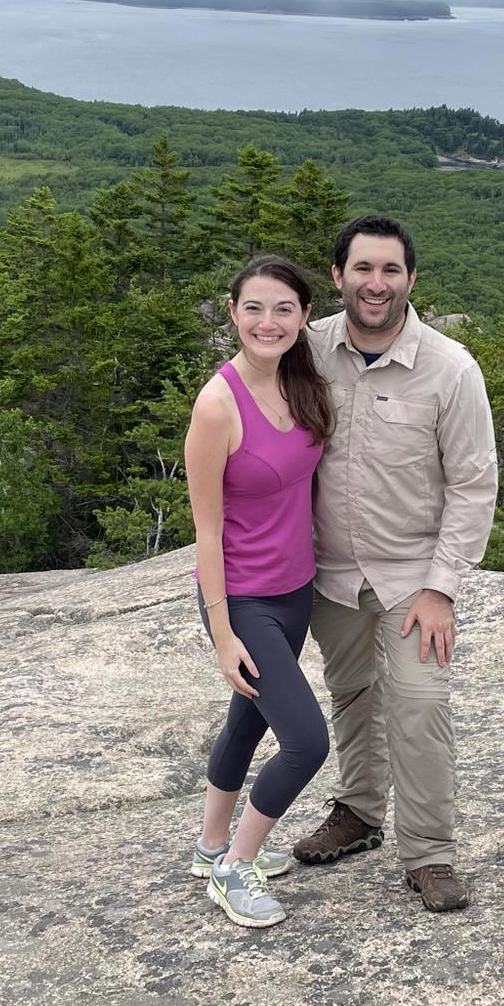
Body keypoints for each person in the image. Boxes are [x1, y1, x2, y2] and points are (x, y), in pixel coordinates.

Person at [292, 214, 498, 912]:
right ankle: (359, 810)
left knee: (418, 704)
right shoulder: (307, 349)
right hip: (329, 572)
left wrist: (442, 588)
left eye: (390, 270)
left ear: (411, 278)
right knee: (351, 694)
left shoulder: (451, 368)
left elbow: (473, 485)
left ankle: (431, 853)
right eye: (362, 269)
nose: (375, 284)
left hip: (415, 575)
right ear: (337, 276)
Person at [185, 255, 336, 929]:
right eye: (254, 308)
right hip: (243, 599)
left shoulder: (300, 382)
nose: (268, 322)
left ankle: (209, 844)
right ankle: (235, 866)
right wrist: (222, 633)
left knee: (247, 720)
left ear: (305, 317)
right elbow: (207, 532)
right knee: (306, 740)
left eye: (284, 309)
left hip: (295, 588)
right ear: (233, 312)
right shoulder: (218, 405)